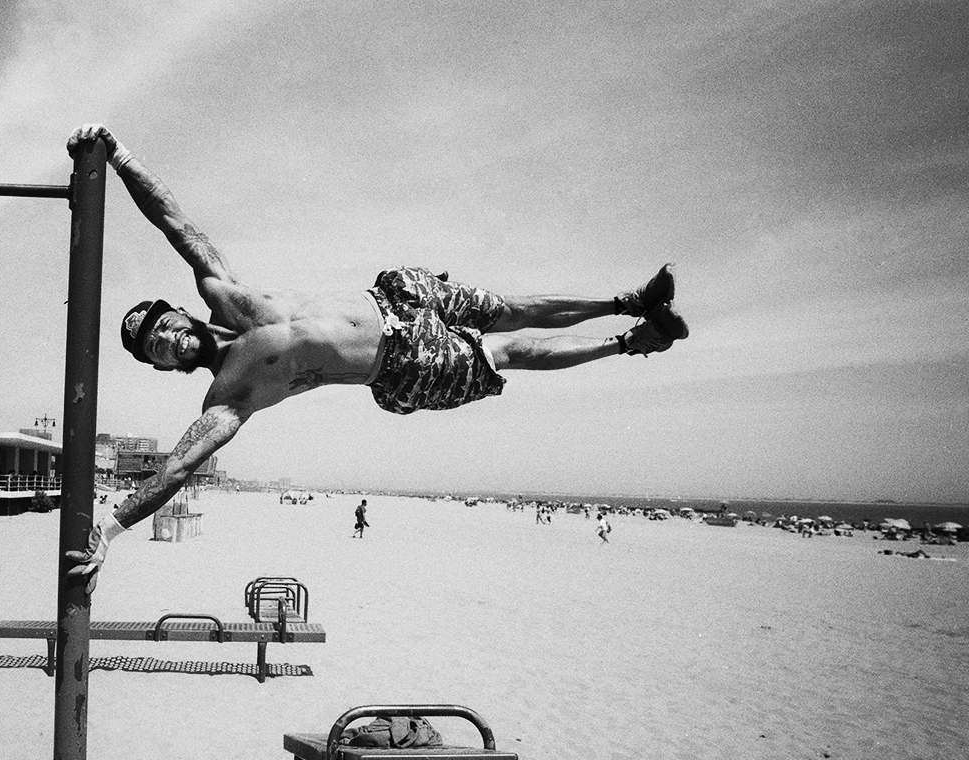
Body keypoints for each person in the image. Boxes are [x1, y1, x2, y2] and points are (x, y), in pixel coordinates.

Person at [65, 123, 689, 587]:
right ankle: (631, 342)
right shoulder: (229, 395)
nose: (169, 339)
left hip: (395, 295)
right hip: (402, 362)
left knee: (511, 307)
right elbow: (174, 470)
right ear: (163, 366)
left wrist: (118, 158)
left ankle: (629, 301)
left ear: (178, 312)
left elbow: (174, 222)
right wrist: (111, 534)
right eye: (158, 347)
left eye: (163, 325)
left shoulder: (226, 294)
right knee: (513, 349)